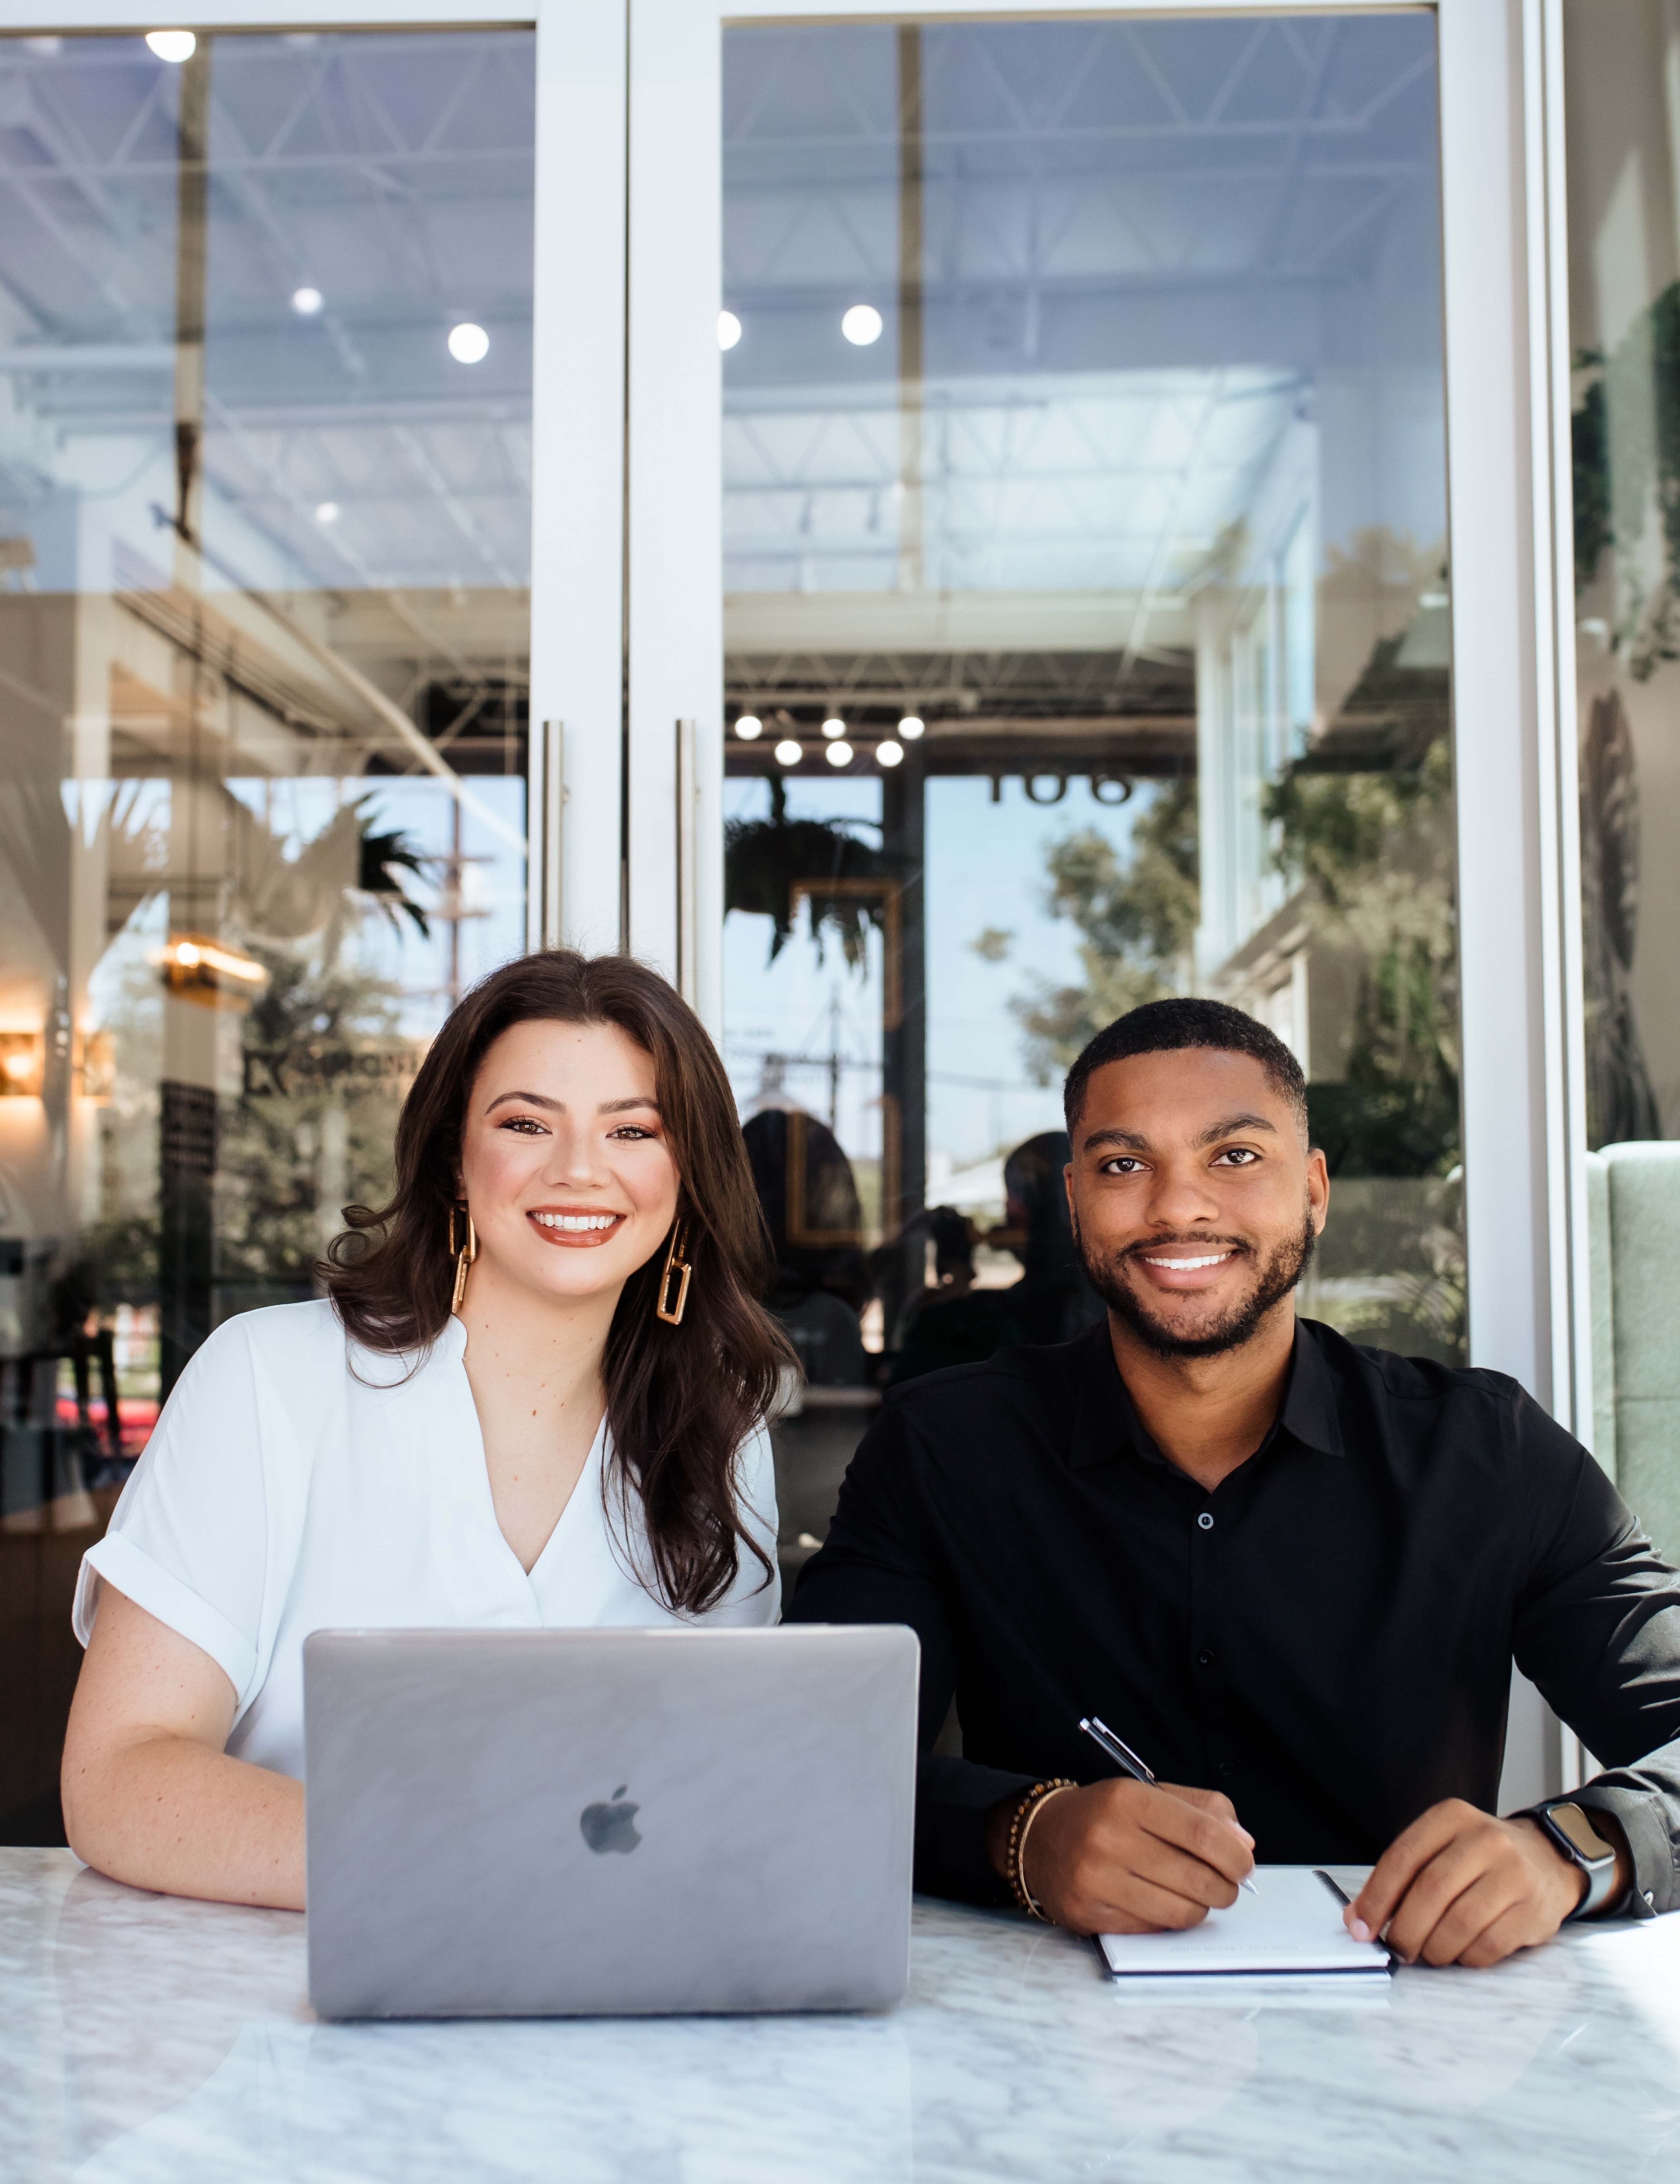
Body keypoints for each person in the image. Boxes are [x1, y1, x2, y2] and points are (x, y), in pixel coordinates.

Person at [789, 997, 1680, 1967]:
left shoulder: (1486, 1452)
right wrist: (1024, 1834)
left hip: (1416, 2045)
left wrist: (1575, 1852)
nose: (1179, 1206)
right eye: (1126, 1166)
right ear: (1076, 1199)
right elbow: (815, 1763)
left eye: (1235, 1157)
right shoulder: (944, 1447)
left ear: (1315, 1192)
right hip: (1050, 2049)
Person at [62, 951, 789, 1911]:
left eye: (634, 1130)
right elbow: (121, 1777)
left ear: (687, 1171)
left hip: (605, 2007)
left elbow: (715, 1795)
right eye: (526, 1123)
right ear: (455, 1157)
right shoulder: (269, 1379)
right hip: (275, 2012)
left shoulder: (721, 1433)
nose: (579, 1169)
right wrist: (452, 1867)